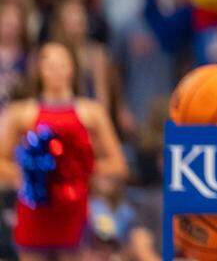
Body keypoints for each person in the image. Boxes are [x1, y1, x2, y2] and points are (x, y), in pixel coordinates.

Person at [0, 41, 127, 259]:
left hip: (75, 210)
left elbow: (118, 165)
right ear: (39, 70)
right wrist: (30, 174)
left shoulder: (91, 112)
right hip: (35, 211)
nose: (56, 71)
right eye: (50, 64)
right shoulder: (21, 112)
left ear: (72, 68)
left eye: (62, 64)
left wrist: (79, 170)